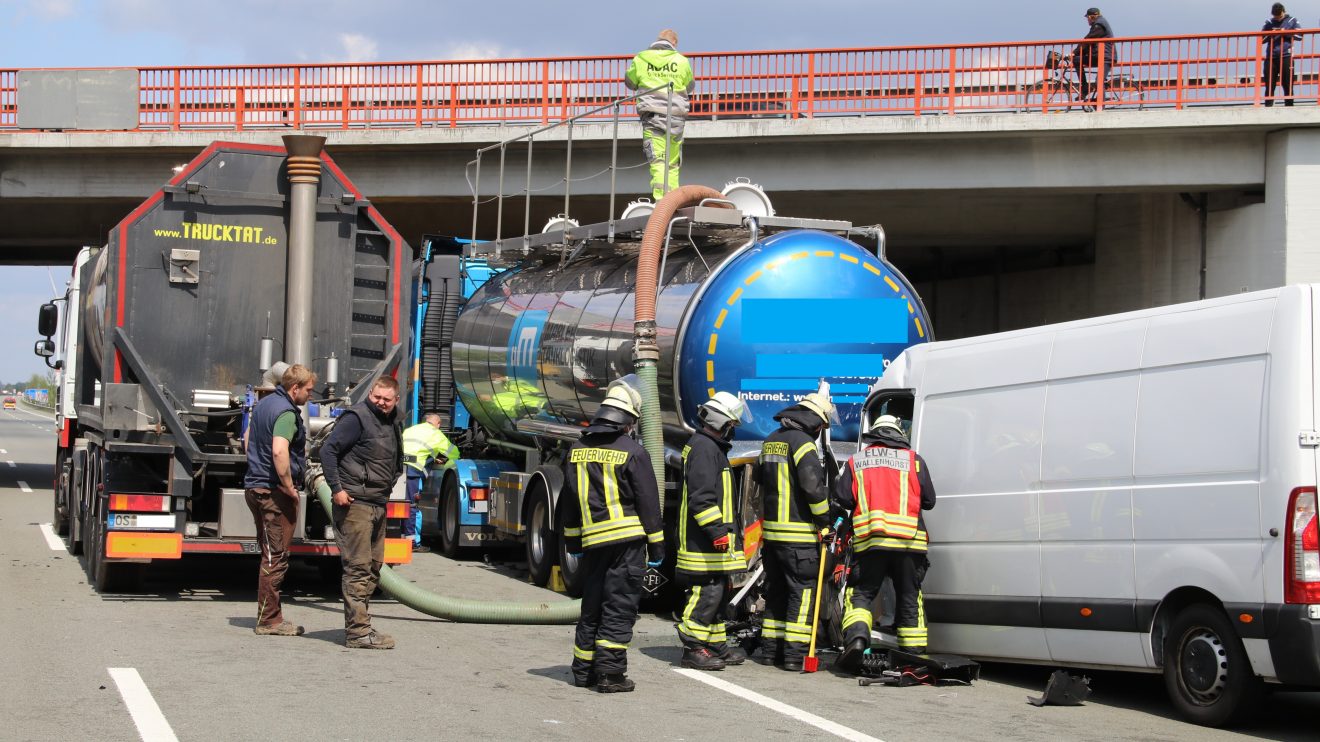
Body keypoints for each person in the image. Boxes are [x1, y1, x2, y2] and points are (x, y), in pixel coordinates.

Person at [562, 376, 663, 693]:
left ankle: (583, 672)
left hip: (592, 545)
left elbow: (569, 503)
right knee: (618, 607)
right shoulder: (633, 452)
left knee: (592, 607)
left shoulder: (576, 450)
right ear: (627, 421)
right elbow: (648, 501)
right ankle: (610, 675)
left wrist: (572, 542)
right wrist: (657, 547)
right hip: (627, 545)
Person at [834, 415, 937, 672]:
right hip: (909, 544)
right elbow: (929, 501)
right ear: (898, 433)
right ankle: (913, 655)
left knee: (862, 594)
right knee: (909, 596)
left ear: (875, 434)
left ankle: (857, 640)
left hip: (871, 542)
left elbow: (843, 498)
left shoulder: (857, 461)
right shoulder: (914, 461)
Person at [320, 376, 405, 649]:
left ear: (396, 400)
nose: (380, 402)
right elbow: (328, 450)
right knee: (358, 569)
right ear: (371, 392)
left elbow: (393, 461)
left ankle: (362, 624)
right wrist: (337, 488)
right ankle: (358, 633)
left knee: (373, 568)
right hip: (355, 504)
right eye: (376, 397)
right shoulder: (356, 418)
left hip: (377, 502)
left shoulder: (392, 421)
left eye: (386, 399)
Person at [756, 391, 836, 671]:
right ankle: (794, 655)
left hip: (773, 536)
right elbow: (812, 487)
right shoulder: (803, 444)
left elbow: (758, 479)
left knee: (776, 592)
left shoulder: (770, 441)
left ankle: (770, 652)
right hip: (798, 537)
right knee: (802, 595)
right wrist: (825, 521)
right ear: (815, 423)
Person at [675, 392, 751, 671]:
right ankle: (693, 647)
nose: (732, 429)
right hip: (702, 541)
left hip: (708, 540)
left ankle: (714, 643)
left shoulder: (707, 446)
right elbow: (702, 497)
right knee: (706, 591)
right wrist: (717, 532)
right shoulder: (705, 449)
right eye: (731, 424)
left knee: (718, 591)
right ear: (722, 422)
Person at [242, 363, 317, 637]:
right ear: (294, 388)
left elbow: (247, 438)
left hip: (255, 486)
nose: (311, 395)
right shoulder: (286, 412)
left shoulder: (263, 404)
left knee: (268, 554)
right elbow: (279, 451)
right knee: (276, 558)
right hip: (273, 491)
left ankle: (269, 615)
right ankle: (270, 620)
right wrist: (289, 487)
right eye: (308, 390)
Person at [624, 29, 695, 201]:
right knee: (672, 164)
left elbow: (630, 82)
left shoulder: (641, 58)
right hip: (676, 118)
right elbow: (690, 86)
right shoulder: (682, 61)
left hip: (652, 117)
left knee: (658, 162)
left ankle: (661, 205)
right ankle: (673, 203)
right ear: (674, 43)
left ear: (657, 40)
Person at [401, 412, 459, 553]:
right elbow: (454, 453)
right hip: (413, 472)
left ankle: (399, 537)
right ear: (438, 424)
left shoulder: (410, 430)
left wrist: (433, 455)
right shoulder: (435, 434)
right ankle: (412, 542)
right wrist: (440, 457)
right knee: (411, 506)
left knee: (399, 505)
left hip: (398, 469)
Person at [1071, 7, 1115, 106]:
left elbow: (1088, 40)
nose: (1087, 20)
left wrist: (1074, 52)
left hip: (1105, 57)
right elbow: (1089, 43)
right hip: (1100, 56)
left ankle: (1100, 104)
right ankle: (1085, 88)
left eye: (1087, 18)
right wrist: (1077, 53)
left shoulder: (1098, 25)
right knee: (1077, 60)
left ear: (1092, 17)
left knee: (1099, 80)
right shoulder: (1099, 23)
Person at [1262, 3, 1303, 107]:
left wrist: (1285, 32)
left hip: (1286, 56)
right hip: (1271, 57)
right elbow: (1261, 39)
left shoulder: (1292, 20)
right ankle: (1268, 106)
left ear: (1283, 12)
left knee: (1287, 83)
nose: (1277, 18)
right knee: (1269, 83)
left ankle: (1289, 106)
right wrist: (1271, 33)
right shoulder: (1269, 22)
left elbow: (1300, 36)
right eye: (1275, 16)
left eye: (1279, 16)